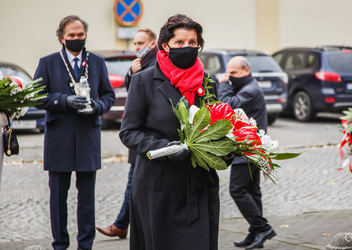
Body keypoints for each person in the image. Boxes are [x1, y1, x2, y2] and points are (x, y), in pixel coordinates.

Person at [119, 14, 221, 250]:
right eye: (180, 43)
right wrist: (163, 148)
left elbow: (218, 126)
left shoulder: (209, 83)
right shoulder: (144, 80)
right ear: (165, 46)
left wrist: (226, 148)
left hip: (199, 185)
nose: (187, 47)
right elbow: (129, 132)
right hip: (159, 186)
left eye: (192, 43)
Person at [33, 15, 115, 250]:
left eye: (80, 35)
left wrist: (97, 107)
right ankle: (60, 244)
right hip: (59, 138)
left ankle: (85, 245)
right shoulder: (48, 62)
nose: (76, 39)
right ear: (62, 37)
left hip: (88, 136)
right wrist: (63, 100)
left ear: (85, 35)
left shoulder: (97, 62)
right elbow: (37, 96)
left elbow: (108, 96)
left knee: (87, 199)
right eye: (71, 36)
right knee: (58, 197)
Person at [96, 28, 158, 239]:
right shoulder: (140, 64)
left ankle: (123, 224)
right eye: (136, 44)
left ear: (152, 43)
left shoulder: (155, 63)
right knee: (133, 183)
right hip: (138, 136)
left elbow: (143, 95)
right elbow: (132, 90)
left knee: (134, 184)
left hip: (147, 136)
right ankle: (122, 224)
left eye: (141, 43)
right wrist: (132, 72)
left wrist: (135, 73)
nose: (137, 47)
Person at [218, 56, 276, 249]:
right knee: (252, 191)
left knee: (237, 189)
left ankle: (262, 227)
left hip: (248, 149)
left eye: (233, 73)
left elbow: (228, 105)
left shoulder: (250, 90)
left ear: (246, 71)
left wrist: (224, 84)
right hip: (252, 148)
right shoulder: (247, 87)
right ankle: (255, 234)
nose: (230, 76)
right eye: (228, 73)